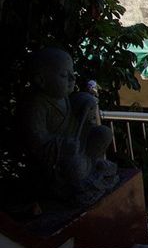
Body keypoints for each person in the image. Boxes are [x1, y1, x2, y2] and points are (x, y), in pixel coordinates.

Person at [23, 47, 117, 206]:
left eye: (72, 74)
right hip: (61, 157)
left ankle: (92, 165)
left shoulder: (62, 97)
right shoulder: (37, 105)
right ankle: (81, 178)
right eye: (64, 75)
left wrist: (86, 100)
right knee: (74, 165)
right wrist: (62, 145)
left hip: (76, 141)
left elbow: (76, 104)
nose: (72, 79)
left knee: (103, 133)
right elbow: (36, 140)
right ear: (41, 80)